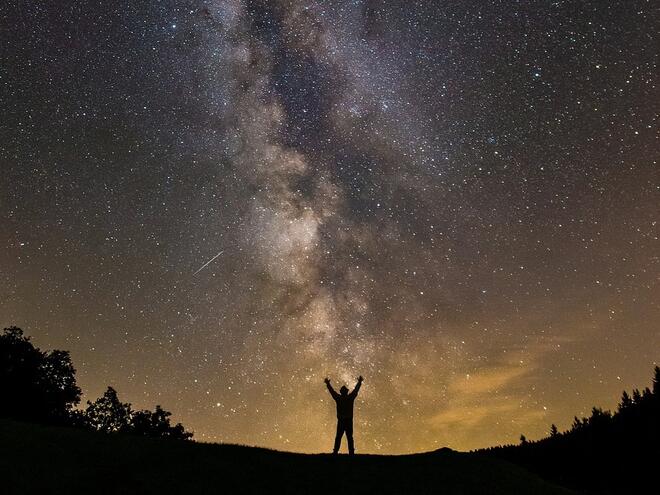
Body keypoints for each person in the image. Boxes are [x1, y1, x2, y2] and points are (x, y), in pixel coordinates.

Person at [324, 375, 363, 455]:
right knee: (349, 437)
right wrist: (359, 382)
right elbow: (356, 390)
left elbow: (332, 392)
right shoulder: (350, 398)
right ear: (346, 392)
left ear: (341, 392)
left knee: (339, 437)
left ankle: (336, 451)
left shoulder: (339, 398)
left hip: (342, 420)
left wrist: (328, 384)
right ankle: (350, 452)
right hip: (348, 420)